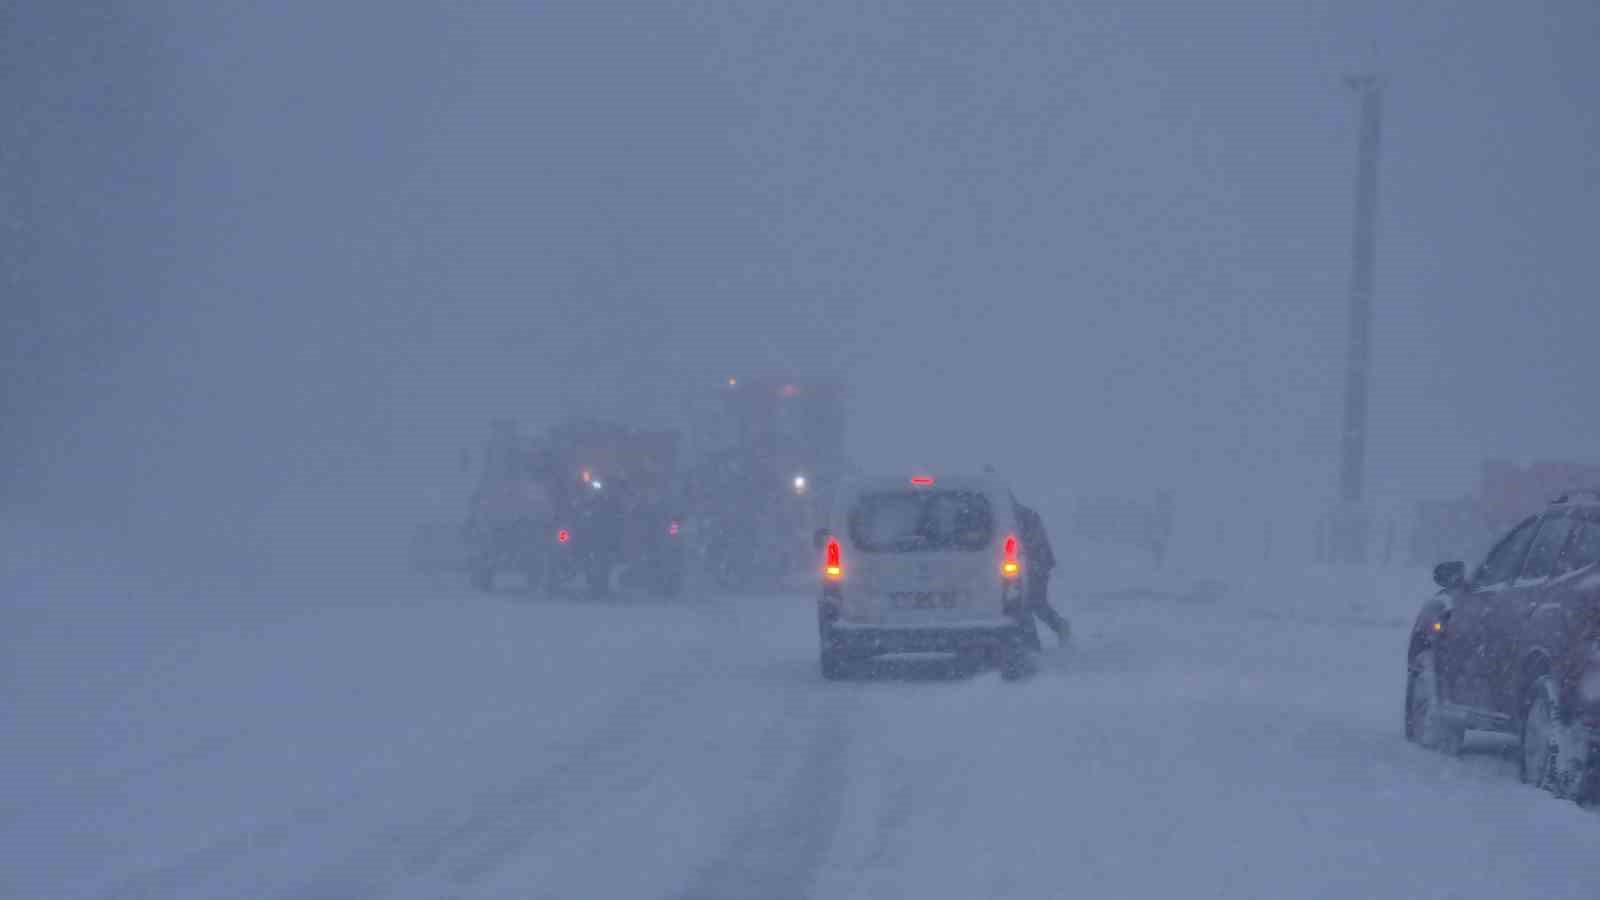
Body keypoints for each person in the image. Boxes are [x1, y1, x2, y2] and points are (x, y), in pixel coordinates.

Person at [1013, 498, 1070, 645]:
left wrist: (1032, 562)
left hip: (1036, 565)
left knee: (1031, 603)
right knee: (1031, 604)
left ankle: (1037, 640)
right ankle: (1052, 630)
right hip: (1032, 565)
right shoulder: (1019, 514)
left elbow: (1034, 542)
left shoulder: (1023, 516)